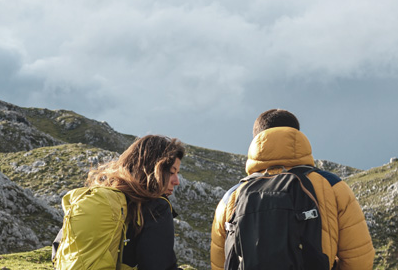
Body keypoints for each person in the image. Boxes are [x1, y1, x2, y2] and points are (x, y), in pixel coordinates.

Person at [210, 109, 375, 269]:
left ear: (256, 140)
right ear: (296, 136)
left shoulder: (230, 197)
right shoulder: (332, 186)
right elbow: (359, 260)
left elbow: (221, 264)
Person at [87, 134, 185, 270]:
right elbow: (157, 266)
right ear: (153, 169)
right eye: (171, 172)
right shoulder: (156, 207)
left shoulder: (98, 197)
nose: (177, 181)